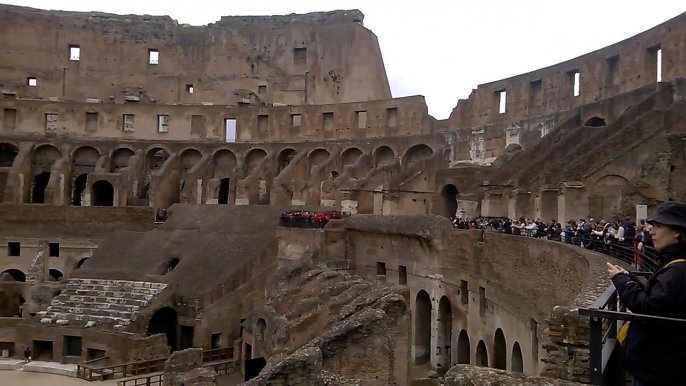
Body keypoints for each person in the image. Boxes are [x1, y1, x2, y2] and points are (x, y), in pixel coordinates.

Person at [607, 201, 686, 386]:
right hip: (659, 364)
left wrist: (622, 281)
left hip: (660, 368)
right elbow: (659, 300)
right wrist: (630, 278)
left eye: (658, 226)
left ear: (676, 232)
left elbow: (649, 309)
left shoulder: (678, 271)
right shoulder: (674, 265)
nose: (651, 231)